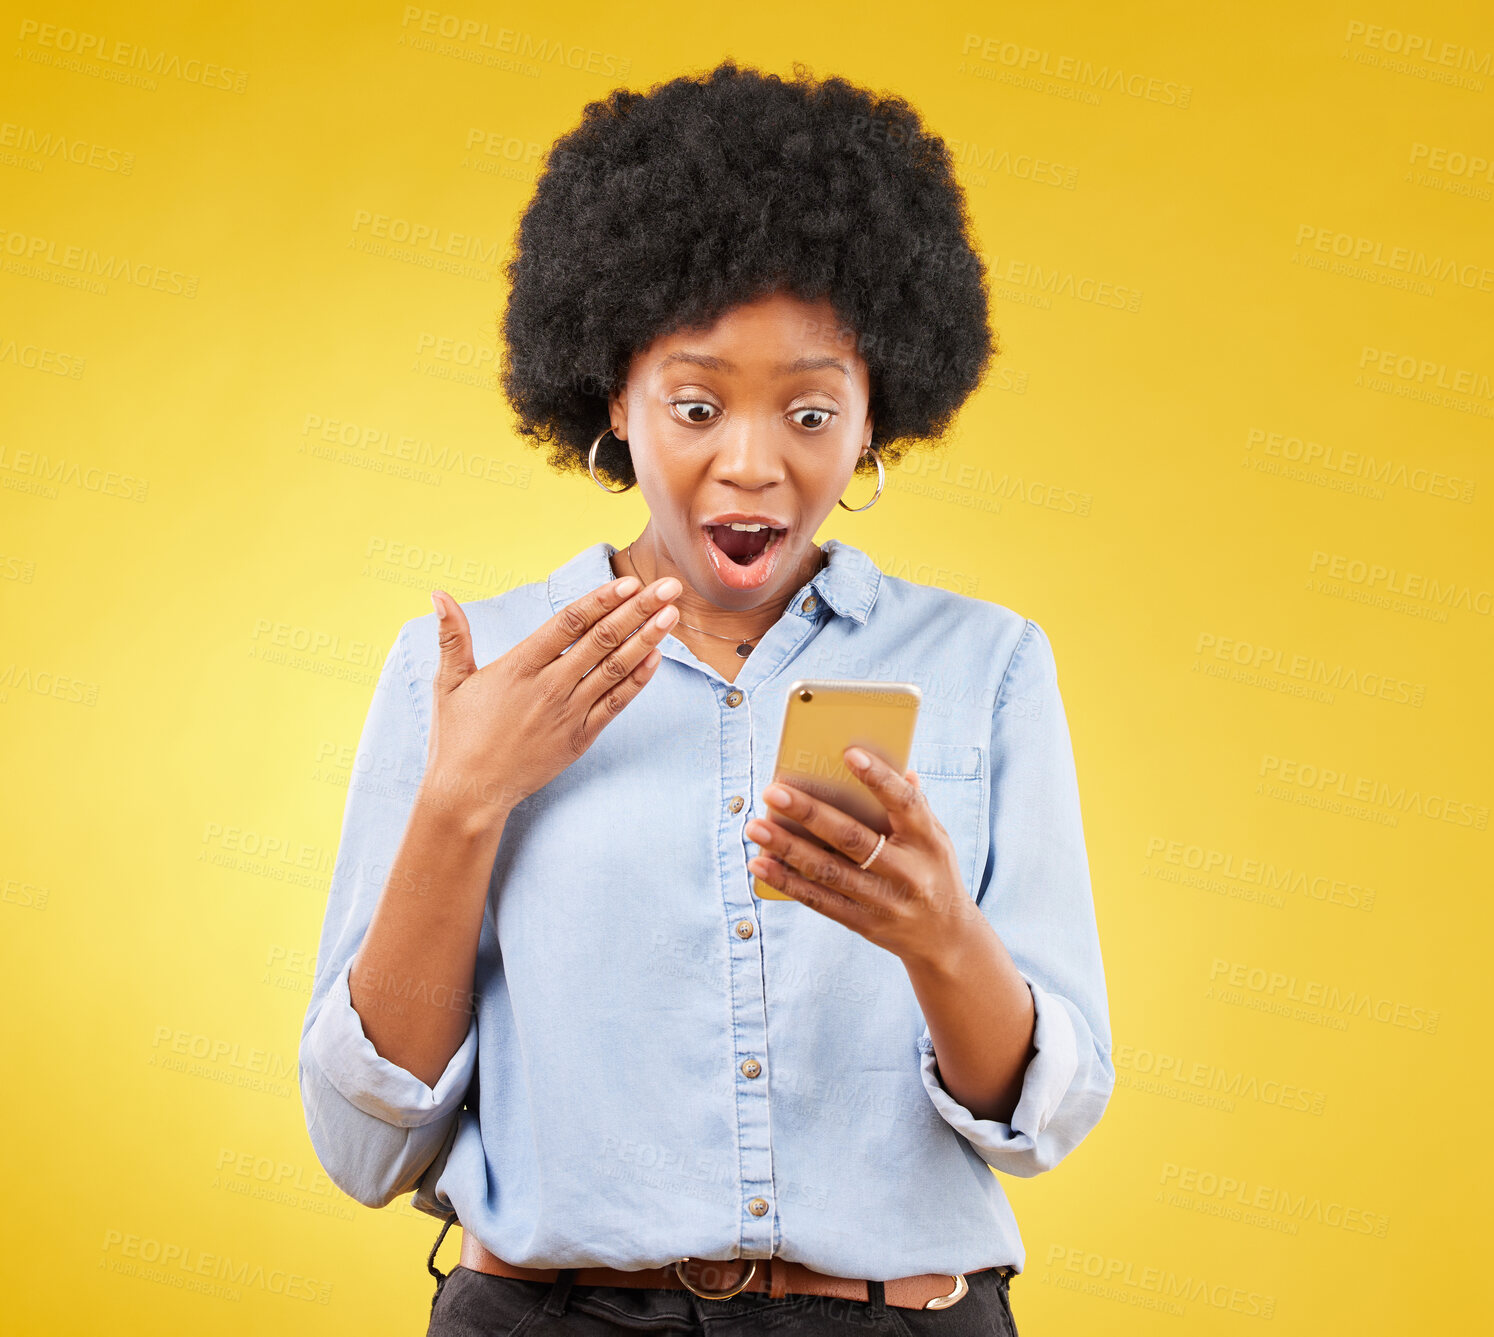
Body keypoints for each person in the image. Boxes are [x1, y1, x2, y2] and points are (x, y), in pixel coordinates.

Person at [299, 58, 1113, 1336]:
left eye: (809, 409)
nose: (752, 462)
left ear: (874, 421)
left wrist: (940, 934)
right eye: (694, 403)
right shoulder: (467, 666)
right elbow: (361, 1149)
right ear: (611, 400)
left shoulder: (987, 665)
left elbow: (1043, 1122)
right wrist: (465, 796)